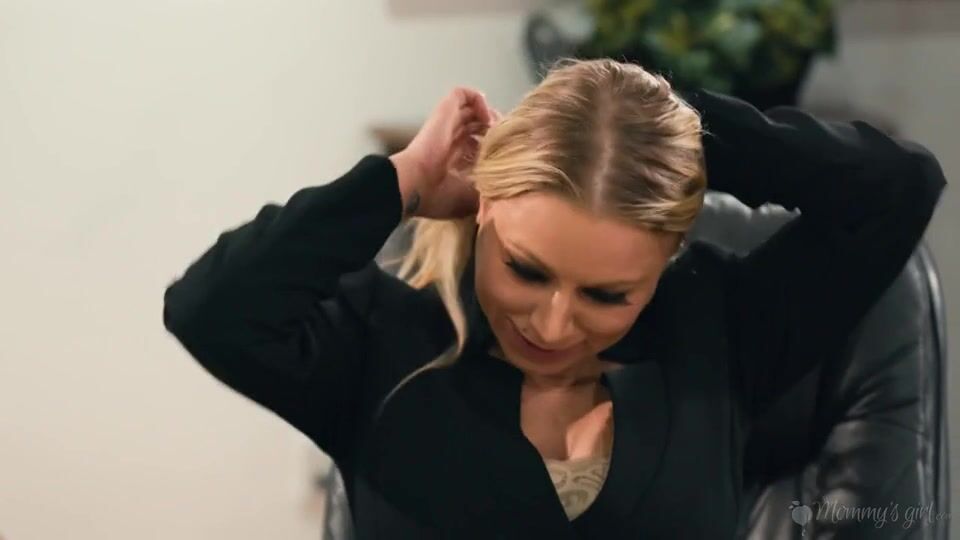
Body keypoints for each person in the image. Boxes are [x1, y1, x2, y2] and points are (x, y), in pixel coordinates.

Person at [162, 58, 946, 539]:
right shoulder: (378, 339)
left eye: (608, 295)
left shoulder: (723, 328)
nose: (553, 323)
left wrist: (674, 134)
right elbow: (209, 309)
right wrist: (403, 179)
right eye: (527, 271)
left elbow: (899, 188)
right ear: (483, 207)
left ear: (669, 259)